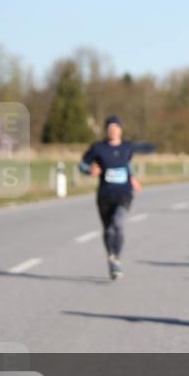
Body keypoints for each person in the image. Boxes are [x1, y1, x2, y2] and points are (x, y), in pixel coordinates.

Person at [79, 116, 142, 280]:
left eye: (116, 128)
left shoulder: (127, 147)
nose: (113, 131)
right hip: (105, 195)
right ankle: (111, 256)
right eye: (110, 128)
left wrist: (133, 178)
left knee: (118, 223)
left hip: (124, 193)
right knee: (108, 229)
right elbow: (82, 164)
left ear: (121, 130)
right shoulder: (98, 148)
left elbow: (127, 164)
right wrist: (89, 170)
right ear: (106, 130)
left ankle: (116, 259)